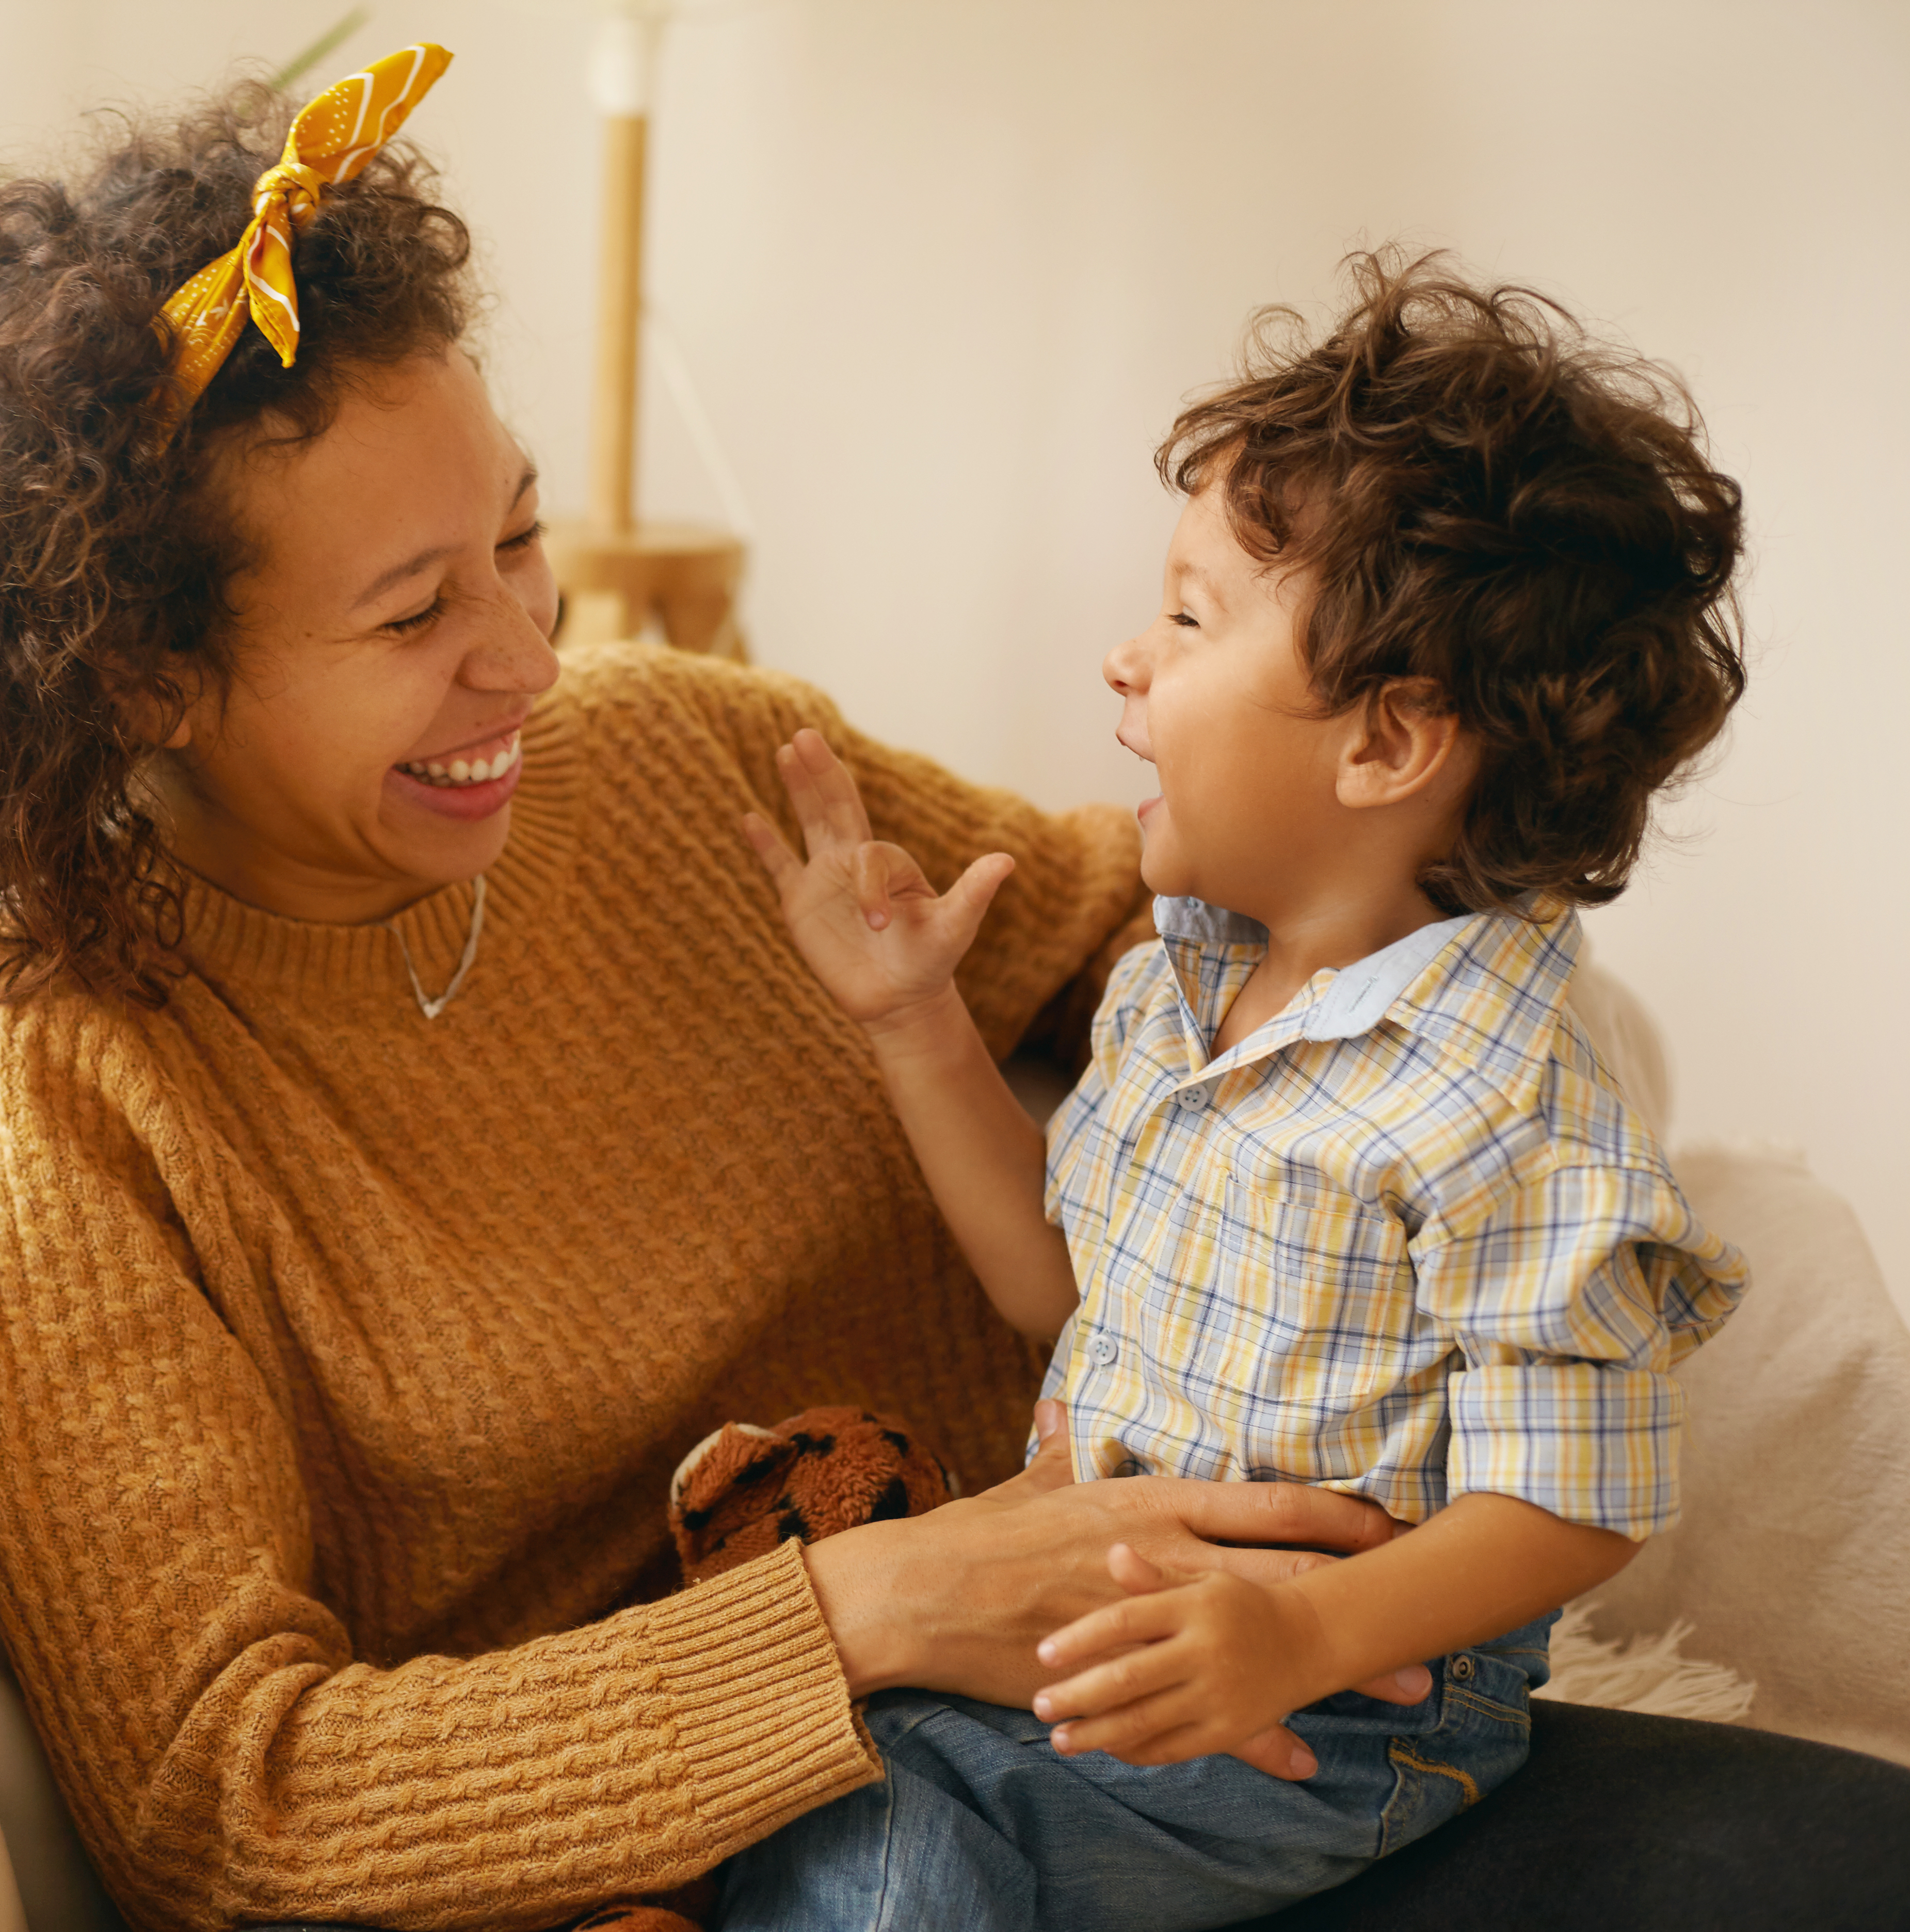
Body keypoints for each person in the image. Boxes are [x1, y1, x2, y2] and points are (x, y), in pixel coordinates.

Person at [0, 49, 1910, 1932]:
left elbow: (1166, 942)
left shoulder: (670, 763)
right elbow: (226, 1805)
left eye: (521, 544)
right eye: (420, 610)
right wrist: (882, 1609)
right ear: (144, 670)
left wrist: (1351, 1513)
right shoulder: (44, 1092)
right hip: (805, 1841)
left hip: (1224, 1716)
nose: (527, 658)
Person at [721, 252, 1747, 1929]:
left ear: (1387, 746)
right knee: (783, 1759)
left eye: (1190, 618)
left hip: (1343, 1716)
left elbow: (1581, 1498)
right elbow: (1060, 1293)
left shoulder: (1512, 1091)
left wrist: (1308, 1635)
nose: (1128, 658)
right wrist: (915, 1022)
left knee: (891, 1833)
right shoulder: (1180, 974)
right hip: (1114, 1611)